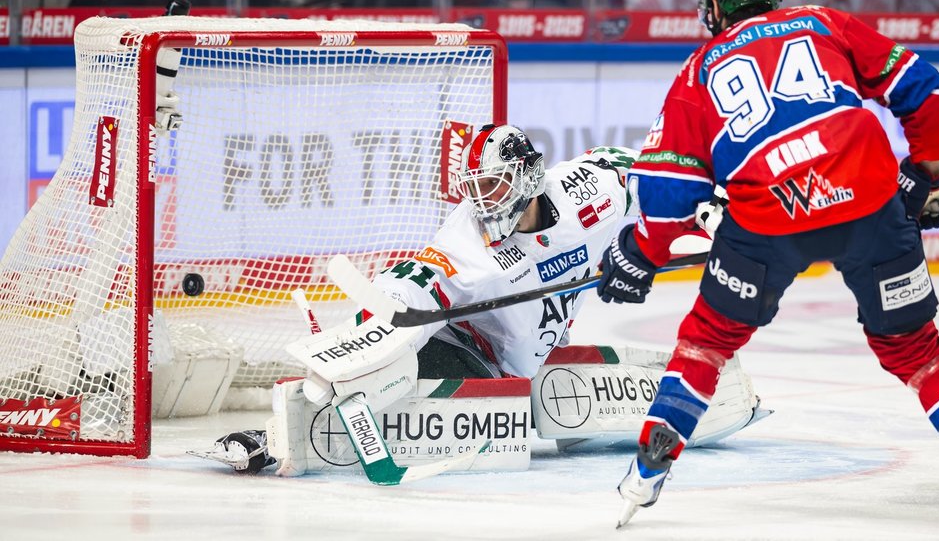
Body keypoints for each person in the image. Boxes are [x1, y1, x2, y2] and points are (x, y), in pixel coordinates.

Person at [597, 0, 939, 527]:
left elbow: (667, 197)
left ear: (715, 4)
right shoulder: (821, 21)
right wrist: (929, 174)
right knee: (915, 347)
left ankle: (648, 472)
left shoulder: (698, 70)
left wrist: (638, 253)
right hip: (869, 200)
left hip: (767, 220)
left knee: (707, 342)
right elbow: (925, 85)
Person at [207, 124, 765, 474]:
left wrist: (723, 216)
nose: (481, 200)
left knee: (550, 407)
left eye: (492, 186)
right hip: (471, 351)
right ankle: (278, 437)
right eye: (473, 187)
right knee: (400, 371)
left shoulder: (588, 190)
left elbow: (660, 175)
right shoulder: (467, 237)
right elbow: (421, 281)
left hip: (533, 363)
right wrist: (381, 324)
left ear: (526, 177)